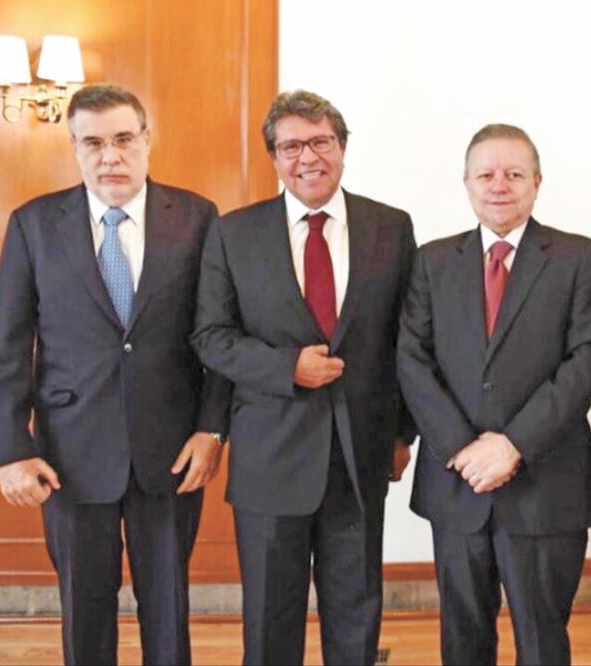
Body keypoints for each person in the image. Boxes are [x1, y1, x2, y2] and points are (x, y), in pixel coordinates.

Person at [0, 84, 231, 665]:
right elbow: (6, 348)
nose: (109, 156)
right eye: (92, 142)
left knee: (168, 611)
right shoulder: (34, 224)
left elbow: (219, 335)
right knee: (85, 609)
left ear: (147, 140)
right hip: (68, 456)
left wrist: (212, 429)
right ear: (73, 147)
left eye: (123, 139)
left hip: (170, 452)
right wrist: (10, 449)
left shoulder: (197, 218)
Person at [192, 89, 417, 666]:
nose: (307, 157)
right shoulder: (234, 233)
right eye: (291, 146)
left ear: (342, 148)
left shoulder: (391, 227)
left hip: (359, 454)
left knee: (356, 609)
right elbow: (211, 337)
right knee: (270, 618)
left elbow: (407, 342)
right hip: (270, 456)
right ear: (274, 157)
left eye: (320, 142)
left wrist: (402, 435)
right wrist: (285, 367)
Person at [397, 124, 591, 665]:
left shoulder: (579, 259)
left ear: (537, 182)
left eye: (514, 174)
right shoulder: (431, 261)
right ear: (465, 184)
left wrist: (513, 444)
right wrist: (463, 450)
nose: (500, 185)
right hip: (456, 482)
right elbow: (412, 360)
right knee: (462, 637)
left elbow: (587, 361)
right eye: (486, 174)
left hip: (546, 482)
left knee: (542, 639)